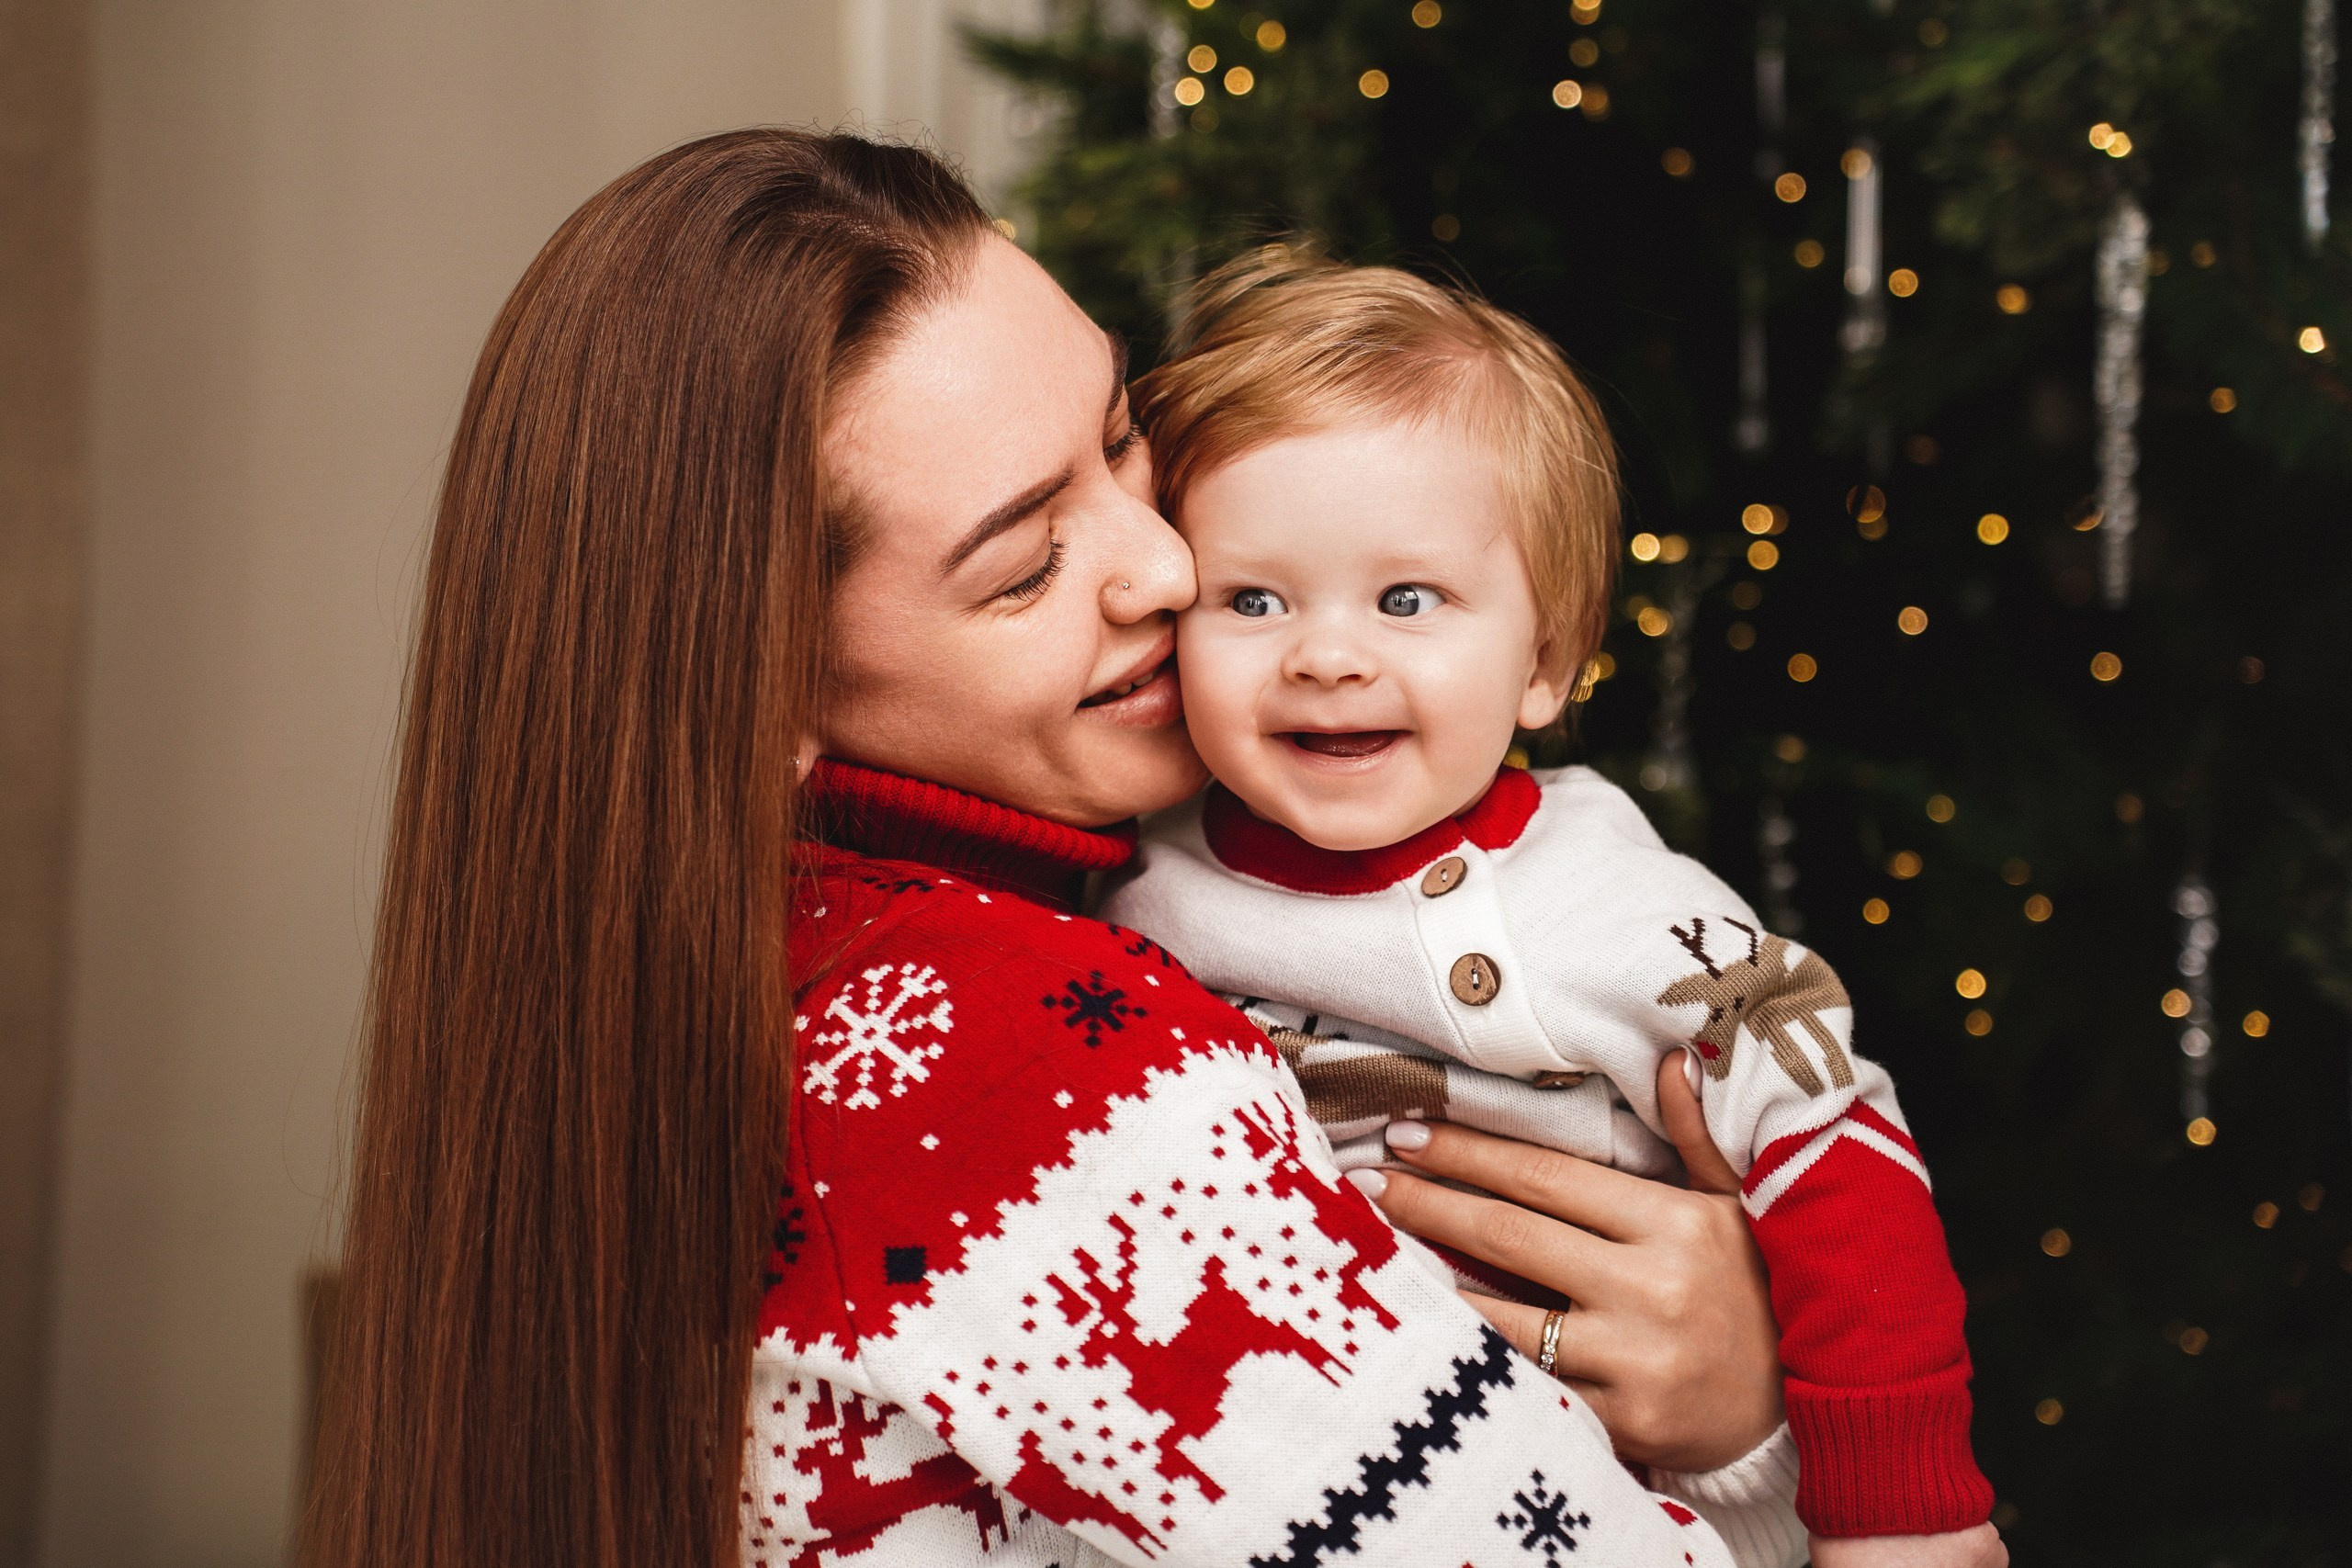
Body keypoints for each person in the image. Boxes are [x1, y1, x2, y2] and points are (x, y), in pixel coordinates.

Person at [307, 130, 1792, 1568]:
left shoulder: (711, 994)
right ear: (760, 694)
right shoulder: (1024, 1068)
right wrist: (1751, 1434)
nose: (1165, 564)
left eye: (1121, 434)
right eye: (1025, 567)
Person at [1100, 252, 2006, 1568]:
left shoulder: (1624, 911)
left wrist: (1904, 1516)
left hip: (1594, 1500)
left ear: (1546, 660)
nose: (1328, 653)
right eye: (1253, 598)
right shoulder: (1124, 874)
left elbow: (1840, 1149)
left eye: (1408, 600)